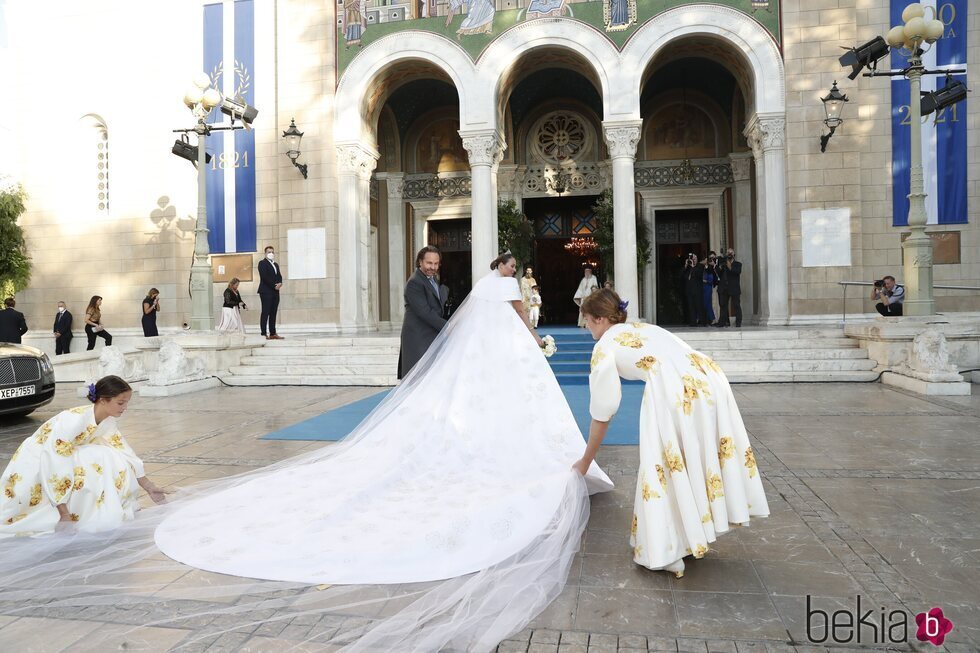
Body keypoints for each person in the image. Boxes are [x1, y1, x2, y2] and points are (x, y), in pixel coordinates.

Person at [572, 289, 769, 577]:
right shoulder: (644, 327)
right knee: (690, 457)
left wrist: (585, 461)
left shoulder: (604, 346)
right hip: (709, 380)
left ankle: (665, 550)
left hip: (675, 391)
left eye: (587, 320)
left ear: (600, 319)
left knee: (662, 463)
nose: (586, 326)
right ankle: (690, 536)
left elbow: (603, 410)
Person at [0, 375, 167, 537]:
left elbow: (124, 450)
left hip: (63, 456)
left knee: (111, 456)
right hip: (38, 459)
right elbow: (54, 458)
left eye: (126, 403)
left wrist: (149, 486)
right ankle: (64, 510)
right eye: (120, 403)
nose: (124, 407)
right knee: (98, 456)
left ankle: (91, 510)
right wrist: (63, 513)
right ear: (103, 400)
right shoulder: (74, 420)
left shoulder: (108, 421)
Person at [399, 245, 447, 379]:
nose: (433, 267)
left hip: (430, 335)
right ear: (420, 261)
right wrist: (449, 326)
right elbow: (425, 312)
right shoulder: (414, 282)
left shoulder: (432, 279)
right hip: (418, 338)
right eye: (429, 263)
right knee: (416, 380)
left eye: (436, 263)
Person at [258, 245, 283, 340]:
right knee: (265, 312)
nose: (271, 254)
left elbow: (279, 276)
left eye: (272, 252)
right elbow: (264, 277)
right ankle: (263, 333)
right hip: (266, 291)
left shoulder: (275, 264)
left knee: (273, 312)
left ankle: (273, 333)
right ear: (265, 253)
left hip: (275, 292)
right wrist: (274, 285)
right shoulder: (262, 263)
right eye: (269, 252)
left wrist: (280, 283)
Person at [715, 248, 742, 328]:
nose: (729, 254)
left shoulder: (738, 264)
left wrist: (728, 264)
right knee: (723, 306)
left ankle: (738, 323)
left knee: (736, 305)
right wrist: (717, 266)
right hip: (724, 288)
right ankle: (721, 323)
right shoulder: (724, 264)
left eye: (731, 252)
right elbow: (719, 274)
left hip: (734, 288)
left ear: (734, 254)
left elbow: (736, 272)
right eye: (728, 253)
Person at [683, 254, 705, 326]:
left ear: (697, 259)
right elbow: (682, 275)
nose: (693, 260)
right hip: (689, 290)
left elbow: (698, 275)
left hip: (697, 290)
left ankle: (702, 322)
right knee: (691, 307)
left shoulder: (700, 266)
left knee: (699, 306)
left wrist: (693, 267)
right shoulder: (688, 267)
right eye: (692, 259)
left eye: (695, 259)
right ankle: (693, 322)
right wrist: (686, 266)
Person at [703, 253, 718, 325]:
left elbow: (711, 279)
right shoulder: (703, 267)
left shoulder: (711, 268)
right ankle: (712, 319)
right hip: (703, 288)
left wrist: (705, 281)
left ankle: (700, 318)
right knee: (707, 304)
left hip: (708, 288)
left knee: (706, 303)